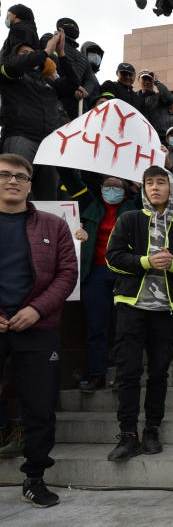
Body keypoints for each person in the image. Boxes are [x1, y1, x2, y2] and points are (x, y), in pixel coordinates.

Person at [105, 168, 173, 460]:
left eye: (161, 182)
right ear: (143, 188)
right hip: (131, 307)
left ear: (172, 187)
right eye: (149, 183)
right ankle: (128, 433)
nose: (155, 187)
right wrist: (146, 261)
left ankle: (152, 430)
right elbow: (113, 258)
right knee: (128, 371)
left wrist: (171, 265)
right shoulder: (129, 219)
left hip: (167, 311)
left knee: (159, 372)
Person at [0, 154, 78, 508]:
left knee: (40, 405)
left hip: (39, 327)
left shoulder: (53, 224)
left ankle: (34, 478)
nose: (12, 181)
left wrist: (36, 309)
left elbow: (66, 273)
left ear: (30, 184)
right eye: (4, 175)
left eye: (20, 176)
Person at [60, 171, 139, 392]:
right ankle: (98, 375)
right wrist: (66, 160)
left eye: (117, 187)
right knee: (97, 327)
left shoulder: (134, 207)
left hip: (125, 275)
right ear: (101, 188)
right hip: (94, 274)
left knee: (126, 328)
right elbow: (70, 178)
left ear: (125, 191)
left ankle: (125, 376)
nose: (111, 191)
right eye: (107, 186)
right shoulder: (90, 205)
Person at [0, 27, 70, 200]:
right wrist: (45, 51)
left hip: (47, 144)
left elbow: (72, 85)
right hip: (21, 138)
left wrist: (61, 54)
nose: (29, 56)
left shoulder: (47, 82)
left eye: (32, 53)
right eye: (24, 53)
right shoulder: (9, 72)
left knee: (46, 198)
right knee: (15, 191)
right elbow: (15, 65)